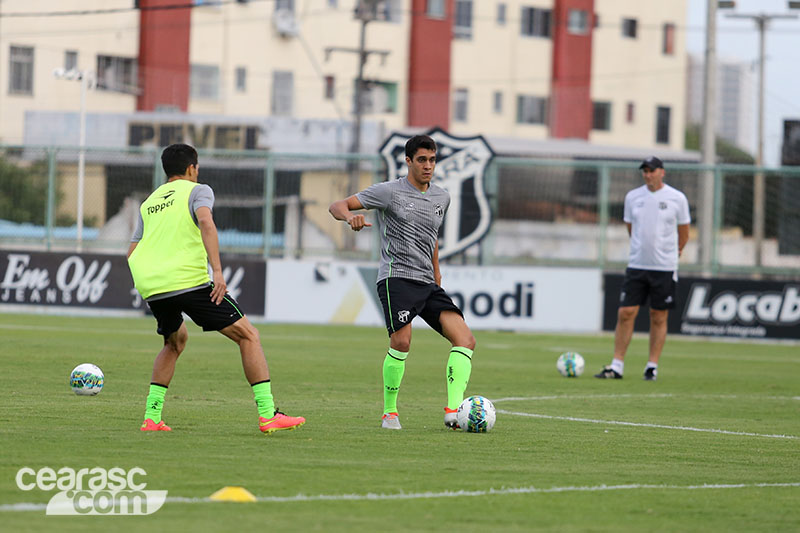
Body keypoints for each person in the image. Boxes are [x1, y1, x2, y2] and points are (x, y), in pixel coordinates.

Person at [127, 143, 305, 433]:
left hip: (153, 286)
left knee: (175, 342)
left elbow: (131, 252)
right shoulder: (198, 190)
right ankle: (268, 414)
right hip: (189, 281)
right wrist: (218, 272)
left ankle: (151, 418)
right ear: (191, 168)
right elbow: (207, 223)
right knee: (249, 336)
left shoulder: (149, 202)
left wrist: (148, 283)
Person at [328, 134, 476, 430]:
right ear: (408, 161)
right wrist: (349, 219)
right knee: (402, 341)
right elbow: (337, 205)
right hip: (397, 278)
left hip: (427, 282)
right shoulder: (389, 192)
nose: (428, 166)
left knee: (465, 340)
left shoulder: (441, 197)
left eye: (432, 160)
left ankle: (453, 411)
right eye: (421, 160)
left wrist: (436, 272)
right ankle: (390, 412)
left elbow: (432, 238)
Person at [595, 156, 690, 381]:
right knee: (626, 313)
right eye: (645, 171)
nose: (648, 175)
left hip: (664, 267)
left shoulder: (677, 198)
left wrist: (674, 253)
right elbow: (631, 228)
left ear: (662, 172)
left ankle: (652, 366)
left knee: (658, 315)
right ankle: (617, 365)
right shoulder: (633, 197)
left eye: (652, 170)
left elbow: (684, 231)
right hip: (637, 265)